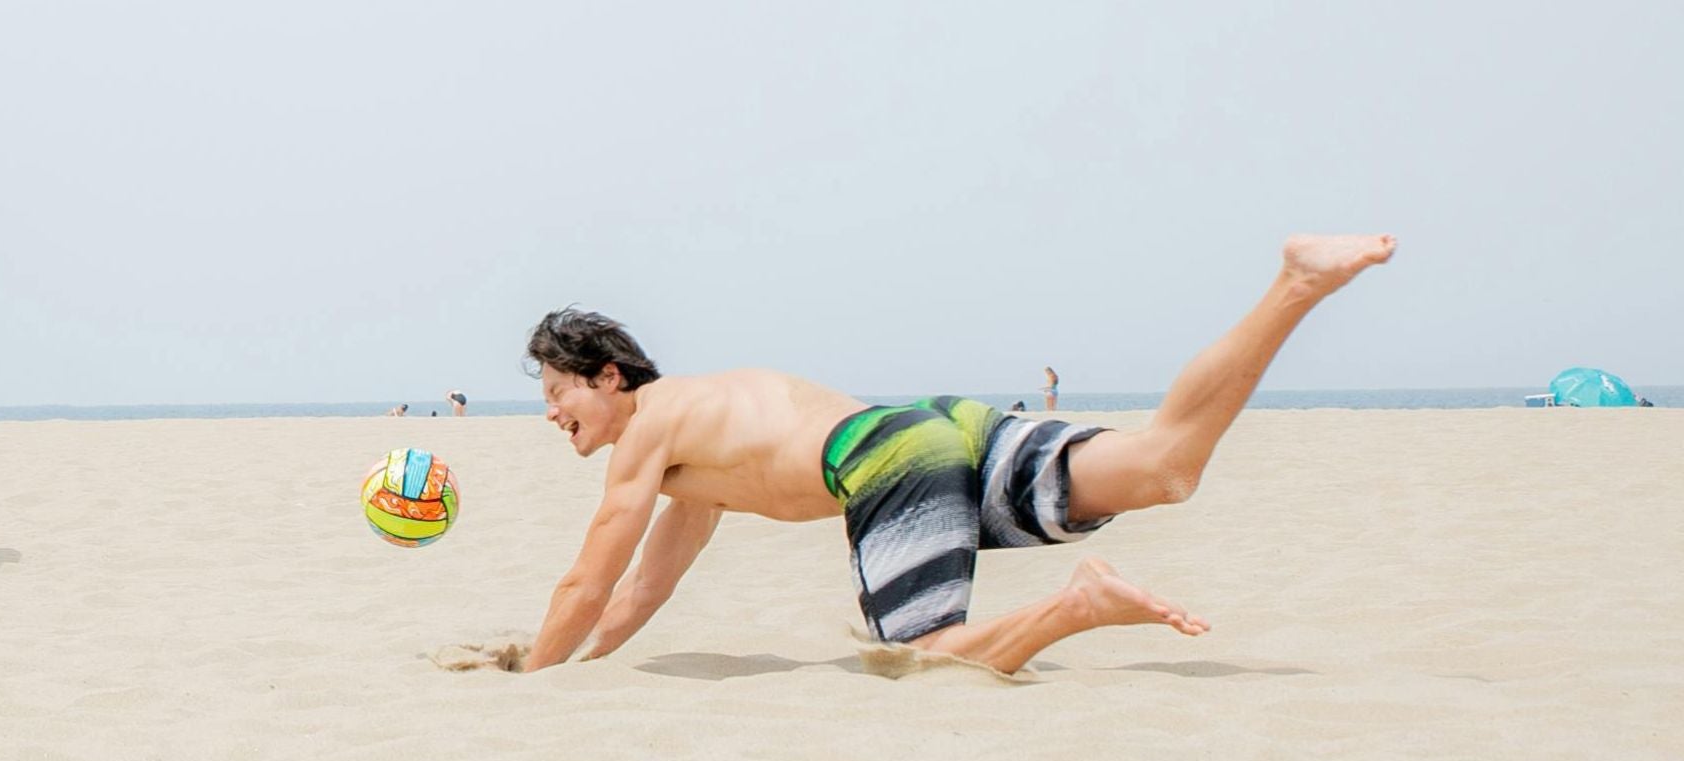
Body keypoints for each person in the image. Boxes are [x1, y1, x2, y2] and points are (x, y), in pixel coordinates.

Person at [512, 234, 1399, 675]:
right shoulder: (695, 452)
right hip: (934, 424)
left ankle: (1080, 606)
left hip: (886, 456)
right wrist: (577, 668)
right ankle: (1297, 284)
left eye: (558, 391)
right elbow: (639, 594)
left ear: (610, 377)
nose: (552, 413)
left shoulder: (653, 424)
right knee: (1165, 466)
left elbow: (589, 579)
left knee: (928, 658)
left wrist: (530, 681)